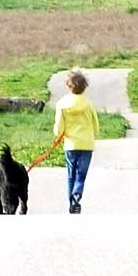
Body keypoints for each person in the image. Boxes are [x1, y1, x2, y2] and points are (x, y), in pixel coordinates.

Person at [53, 68, 99, 214]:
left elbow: (59, 127)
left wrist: (59, 134)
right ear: (84, 87)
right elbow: (95, 123)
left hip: (70, 144)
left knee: (71, 174)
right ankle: (77, 193)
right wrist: (94, 135)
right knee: (81, 174)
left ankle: (72, 204)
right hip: (86, 144)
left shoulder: (62, 104)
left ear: (68, 86)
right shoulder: (89, 104)